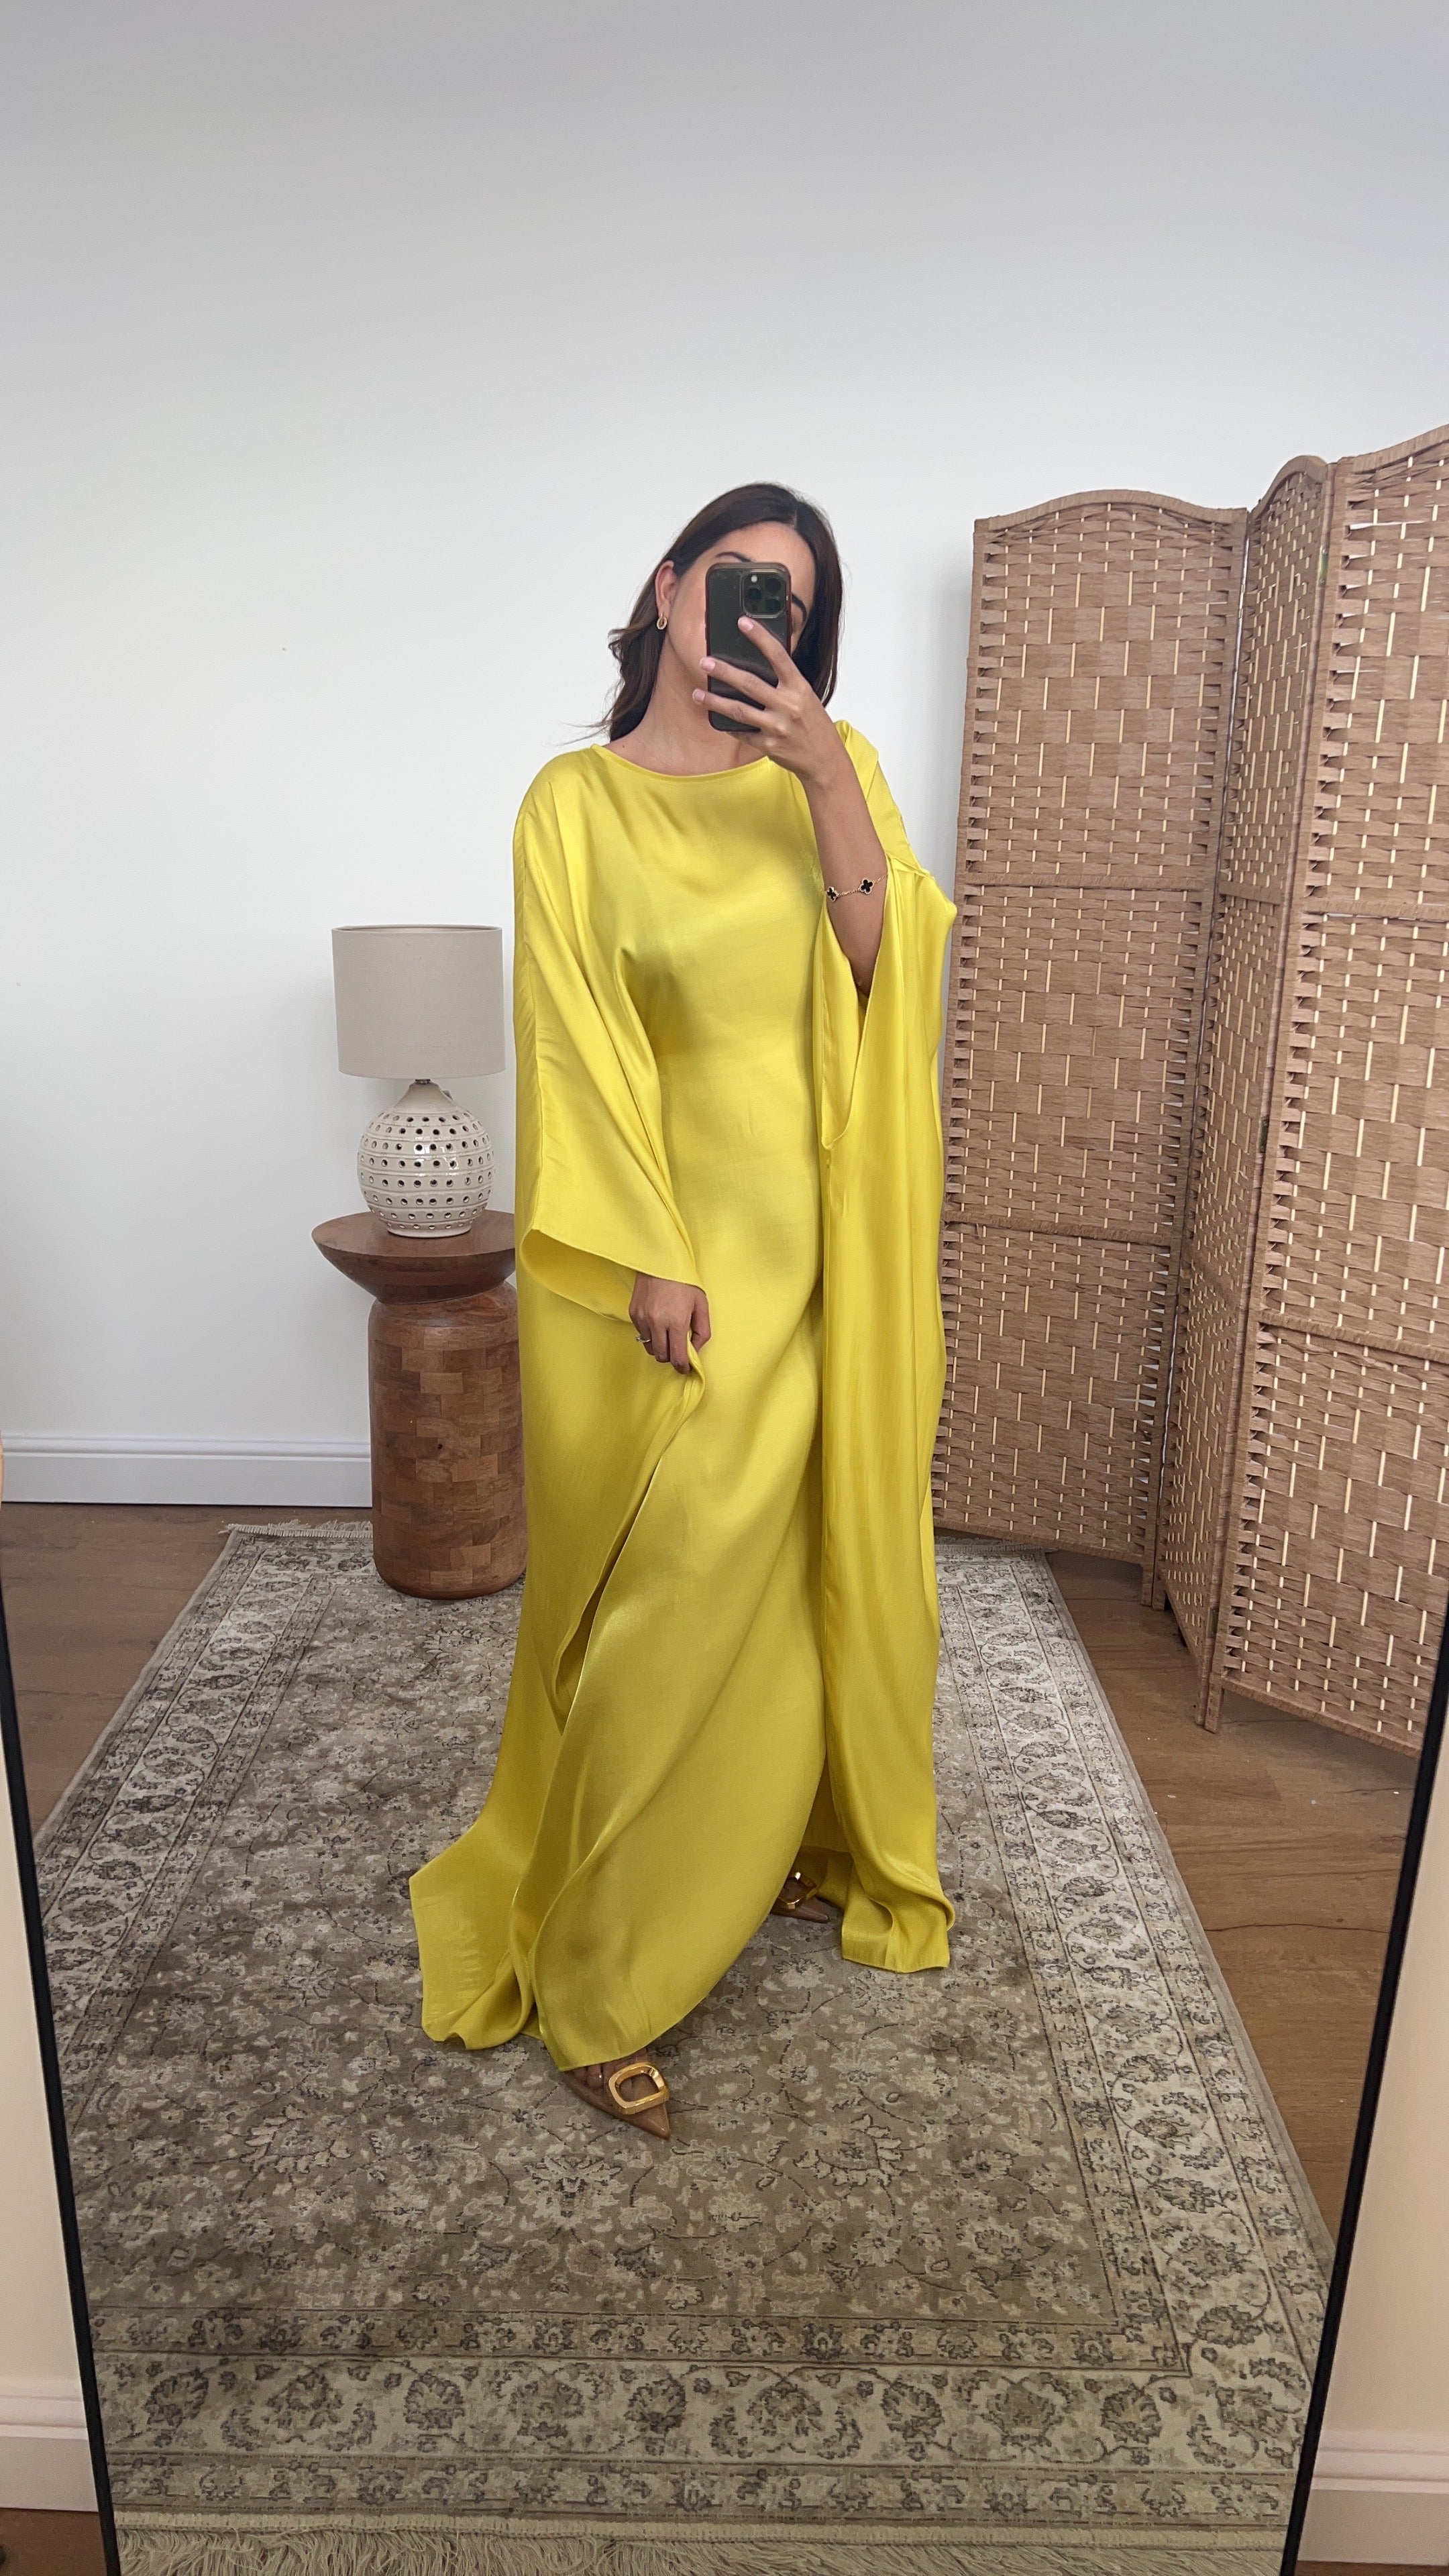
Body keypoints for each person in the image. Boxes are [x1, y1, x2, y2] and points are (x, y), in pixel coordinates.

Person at [409, 482, 957, 2140]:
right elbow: (572, 1039)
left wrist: (825, 777)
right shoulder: (571, 805)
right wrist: (652, 1250)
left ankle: (762, 1838)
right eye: (738, 581)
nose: (761, 620)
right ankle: (597, 1967)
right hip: (662, 1257)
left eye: (794, 603)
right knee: (674, 1575)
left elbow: (886, 978)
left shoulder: (833, 775)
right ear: (667, 589)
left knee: (790, 1566)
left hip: (824, 1241)